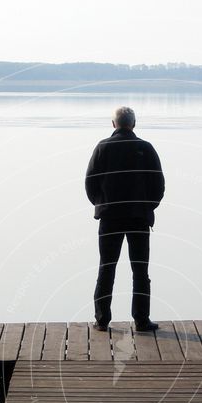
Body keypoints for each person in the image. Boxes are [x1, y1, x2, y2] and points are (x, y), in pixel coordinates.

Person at [85, 106, 165, 332]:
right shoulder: (146, 148)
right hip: (138, 217)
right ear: (134, 123)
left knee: (106, 267)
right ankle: (141, 320)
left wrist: (101, 204)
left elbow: (90, 183)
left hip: (109, 217)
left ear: (113, 124)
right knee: (140, 270)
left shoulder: (103, 148)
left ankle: (102, 320)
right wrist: (148, 206)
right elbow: (158, 185)